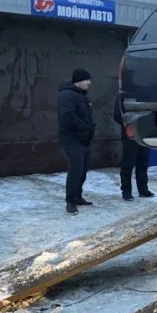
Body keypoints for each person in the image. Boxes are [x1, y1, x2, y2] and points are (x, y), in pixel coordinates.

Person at [57, 68, 96, 214]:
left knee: (83, 170)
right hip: (72, 139)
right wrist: (85, 127)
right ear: (79, 81)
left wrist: (90, 128)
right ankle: (70, 201)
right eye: (87, 80)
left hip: (85, 139)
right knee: (75, 170)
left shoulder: (83, 95)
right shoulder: (67, 95)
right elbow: (67, 117)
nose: (89, 83)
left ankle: (78, 196)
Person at [114, 91, 155, 201]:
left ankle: (143, 189)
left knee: (143, 162)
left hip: (144, 134)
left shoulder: (146, 94)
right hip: (130, 135)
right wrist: (129, 125)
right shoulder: (123, 95)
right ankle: (126, 191)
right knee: (128, 163)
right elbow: (117, 115)